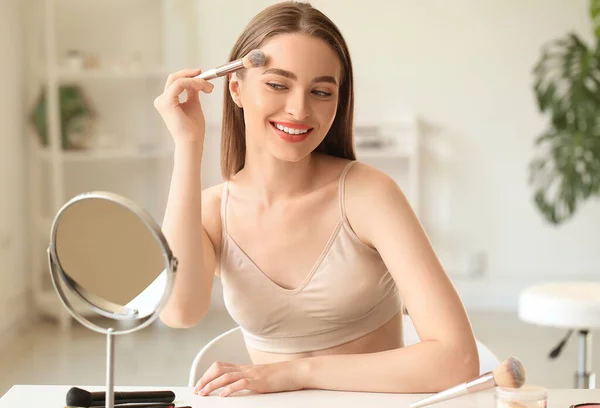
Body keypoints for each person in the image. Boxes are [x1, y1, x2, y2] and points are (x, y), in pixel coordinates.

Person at [154, 0, 479, 398]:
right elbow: (178, 311)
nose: (299, 109)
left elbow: (457, 359)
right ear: (235, 88)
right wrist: (188, 145)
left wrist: (294, 372)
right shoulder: (212, 214)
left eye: (321, 91)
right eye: (277, 84)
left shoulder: (368, 196)